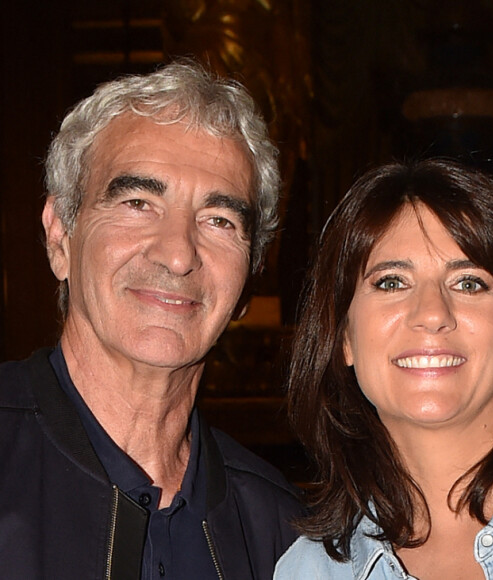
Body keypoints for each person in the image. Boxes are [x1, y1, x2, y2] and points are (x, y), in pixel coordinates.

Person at [0, 60, 303, 580]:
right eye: (138, 202)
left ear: (251, 274)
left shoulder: (283, 534)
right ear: (59, 237)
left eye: (218, 220)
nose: (178, 254)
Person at [274, 159, 493, 579]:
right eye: (392, 282)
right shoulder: (307, 572)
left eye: (469, 283)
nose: (433, 314)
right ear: (344, 337)